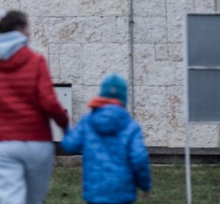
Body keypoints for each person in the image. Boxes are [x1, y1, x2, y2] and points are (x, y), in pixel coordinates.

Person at [0, 9, 69, 204]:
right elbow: (49, 103)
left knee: (11, 199)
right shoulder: (36, 61)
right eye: (27, 26)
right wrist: (65, 125)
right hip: (37, 143)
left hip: (4, 143)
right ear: (19, 29)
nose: (30, 32)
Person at [60, 74, 152, 204]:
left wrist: (65, 127)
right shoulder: (131, 126)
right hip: (123, 193)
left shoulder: (88, 121)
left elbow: (70, 145)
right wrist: (145, 185)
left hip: (95, 192)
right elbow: (139, 158)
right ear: (124, 98)